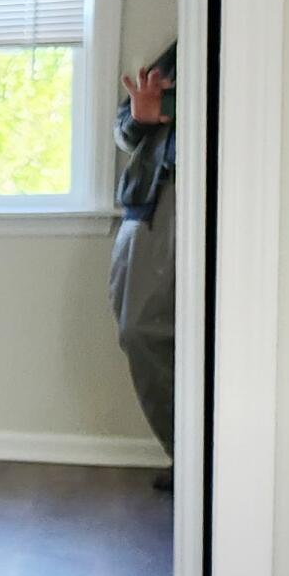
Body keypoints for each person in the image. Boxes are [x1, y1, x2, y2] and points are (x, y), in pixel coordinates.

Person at [110, 42, 180, 479]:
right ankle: (189, 455)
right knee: (140, 329)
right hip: (161, 198)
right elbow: (125, 129)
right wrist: (140, 117)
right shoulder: (184, 50)